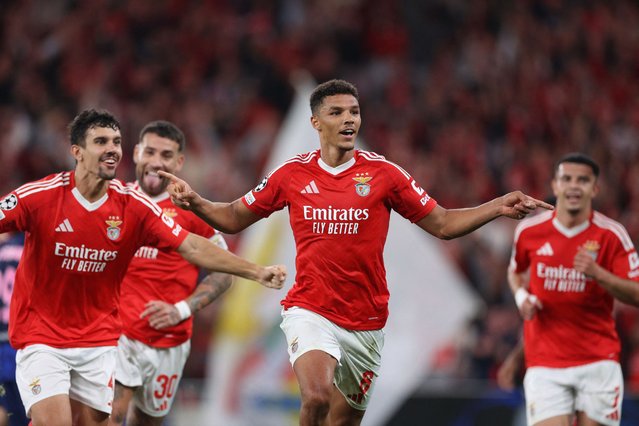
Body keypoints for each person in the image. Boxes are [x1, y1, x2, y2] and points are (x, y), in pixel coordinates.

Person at [159, 79, 552, 425]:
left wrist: (497, 206)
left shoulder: (385, 175)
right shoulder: (291, 175)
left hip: (366, 319)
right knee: (315, 396)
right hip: (309, 309)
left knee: (344, 421)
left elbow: (444, 224)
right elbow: (233, 217)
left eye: (354, 111)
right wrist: (196, 202)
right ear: (316, 123)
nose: (349, 119)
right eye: (337, 112)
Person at [0, 109, 286, 426]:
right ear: (77, 152)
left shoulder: (134, 208)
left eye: (116, 141)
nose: (111, 149)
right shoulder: (41, 197)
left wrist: (254, 271)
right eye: (100, 142)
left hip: (99, 343)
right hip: (45, 338)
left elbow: (192, 246)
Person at [108, 120, 234, 426]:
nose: (156, 161)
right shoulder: (112, 200)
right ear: (136, 153)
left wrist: (181, 309)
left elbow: (224, 272)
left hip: (170, 340)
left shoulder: (193, 211)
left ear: (179, 162)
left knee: (147, 422)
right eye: (149, 151)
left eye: (166, 155)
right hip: (116, 332)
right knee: (111, 415)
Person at [508, 152, 639, 426]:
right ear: (556, 186)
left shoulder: (612, 235)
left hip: (597, 360)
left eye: (583, 180)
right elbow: (516, 272)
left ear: (595, 188)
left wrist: (599, 275)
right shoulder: (529, 232)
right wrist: (522, 297)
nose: (574, 186)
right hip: (545, 362)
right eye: (566, 179)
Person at [0, 232, 29, 426]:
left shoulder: (3, 249)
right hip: (26, 341)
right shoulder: (30, 247)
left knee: (6, 409)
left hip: (2, 341)